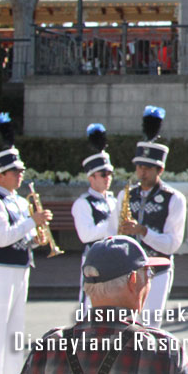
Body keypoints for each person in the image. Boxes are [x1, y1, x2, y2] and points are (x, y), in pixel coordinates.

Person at [20, 235, 188, 374]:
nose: (150, 281)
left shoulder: (50, 346)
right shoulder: (163, 349)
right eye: (148, 273)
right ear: (133, 281)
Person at [117, 106, 186, 328]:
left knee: (149, 327)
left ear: (160, 169)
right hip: (127, 272)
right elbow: (112, 231)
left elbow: (172, 244)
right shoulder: (125, 195)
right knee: (125, 327)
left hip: (157, 270)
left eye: (148, 167)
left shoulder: (174, 199)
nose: (142, 172)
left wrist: (143, 232)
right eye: (139, 166)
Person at [0, 113, 51, 374]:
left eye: (20, 171)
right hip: (2, 269)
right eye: (15, 172)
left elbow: (20, 236)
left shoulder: (20, 201)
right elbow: (2, 237)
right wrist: (32, 222)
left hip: (21, 267)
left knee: (15, 330)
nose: (20, 175)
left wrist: (37, 237)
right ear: (1, 175)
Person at [72, 123, 120, 311]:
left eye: (109, 174)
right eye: (103, 174)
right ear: (91, 177)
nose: (107, 178)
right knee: (90, 307)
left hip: (115, 257)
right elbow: (86, 235)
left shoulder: (114, 200)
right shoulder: (83, 203)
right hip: (95, 258)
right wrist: (112, 221)